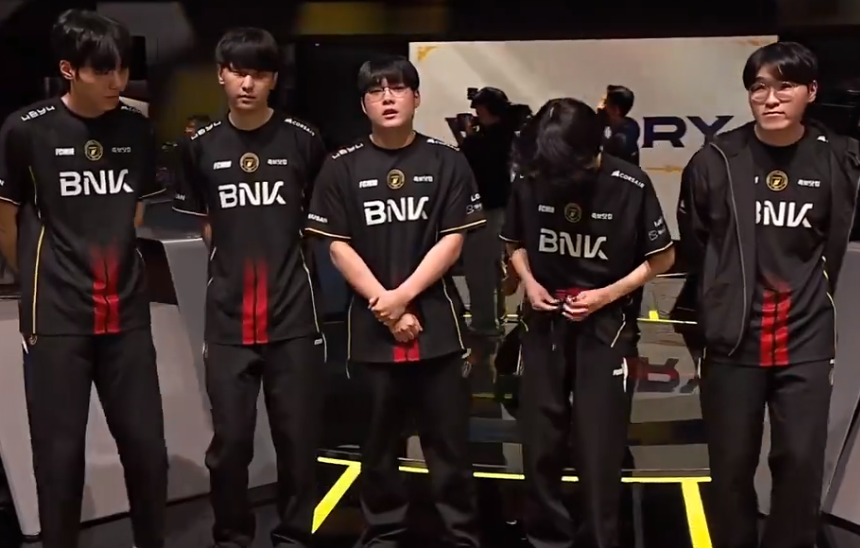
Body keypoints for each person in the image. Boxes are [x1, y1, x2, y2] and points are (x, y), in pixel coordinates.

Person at [676, 41, 860, 548]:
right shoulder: (716, 160)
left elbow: (835, 239)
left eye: (786, 86)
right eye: (759, 87)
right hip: (734, 337)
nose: (771, 98)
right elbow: (696, 240)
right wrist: (719, 296)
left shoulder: (840, 158)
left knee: (800, 462)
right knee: (730, 465)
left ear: (811, 91)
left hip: (806, 335)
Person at [0, 9, 168, 548]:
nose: (117, 81)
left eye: (122, 68)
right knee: (59, 456)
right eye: (103, 70)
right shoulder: (26, 129)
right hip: (55, 318)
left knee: (147, 449)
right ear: (69, 69)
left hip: (126, 312)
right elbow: (6, 218)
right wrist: (40, 279)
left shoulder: (138, 128)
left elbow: (134, 212)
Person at [304, 55, 484, 548]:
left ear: (416, 97)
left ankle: (461, 534)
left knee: (448, 445)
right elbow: (337, 246)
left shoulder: (447, 161)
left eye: (398, 88)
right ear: (363, 103)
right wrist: (383, 304)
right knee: (378, 445)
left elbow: (452, 240)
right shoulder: (340, 166)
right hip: (371, 326)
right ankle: (384, 532)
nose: (387, 98)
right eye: (376, 91)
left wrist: (402, 297)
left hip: (438, 325)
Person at [171, 27, 327, 548]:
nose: (247, 84)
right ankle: (232, 537)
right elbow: (206, 225)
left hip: (294, 316)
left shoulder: (304, 139)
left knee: (298, 443)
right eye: (238, 72)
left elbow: (317, 223)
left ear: (273, 80)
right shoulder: (198, 146)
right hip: (229, 319)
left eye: (259, 74)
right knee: (230, 445)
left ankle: (295, 538)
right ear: (221, 75)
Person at [501, 98, 674, 548]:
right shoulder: (532, 177)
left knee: (599, 447)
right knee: (540, 441)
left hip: (605, 326)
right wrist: (528, 281)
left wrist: (606, 295)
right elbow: (514, 242)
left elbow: (662, 258)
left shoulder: (629, 183)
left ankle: (599, 537)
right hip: (544, 321)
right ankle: (545, 536)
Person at [460, 87, 516, 348]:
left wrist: (469, 137)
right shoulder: (509, 135)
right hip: (500, 208)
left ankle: (485, 324)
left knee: (479, 268)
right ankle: (496, 316)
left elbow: (469, 163)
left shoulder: (486, 141)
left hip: (485, 209)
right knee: (493, 267)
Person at [598, 85, 640, 166]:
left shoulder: (621, 140)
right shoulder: (629, 125)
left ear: (615, 110)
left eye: (605, 103)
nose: (600, 107)